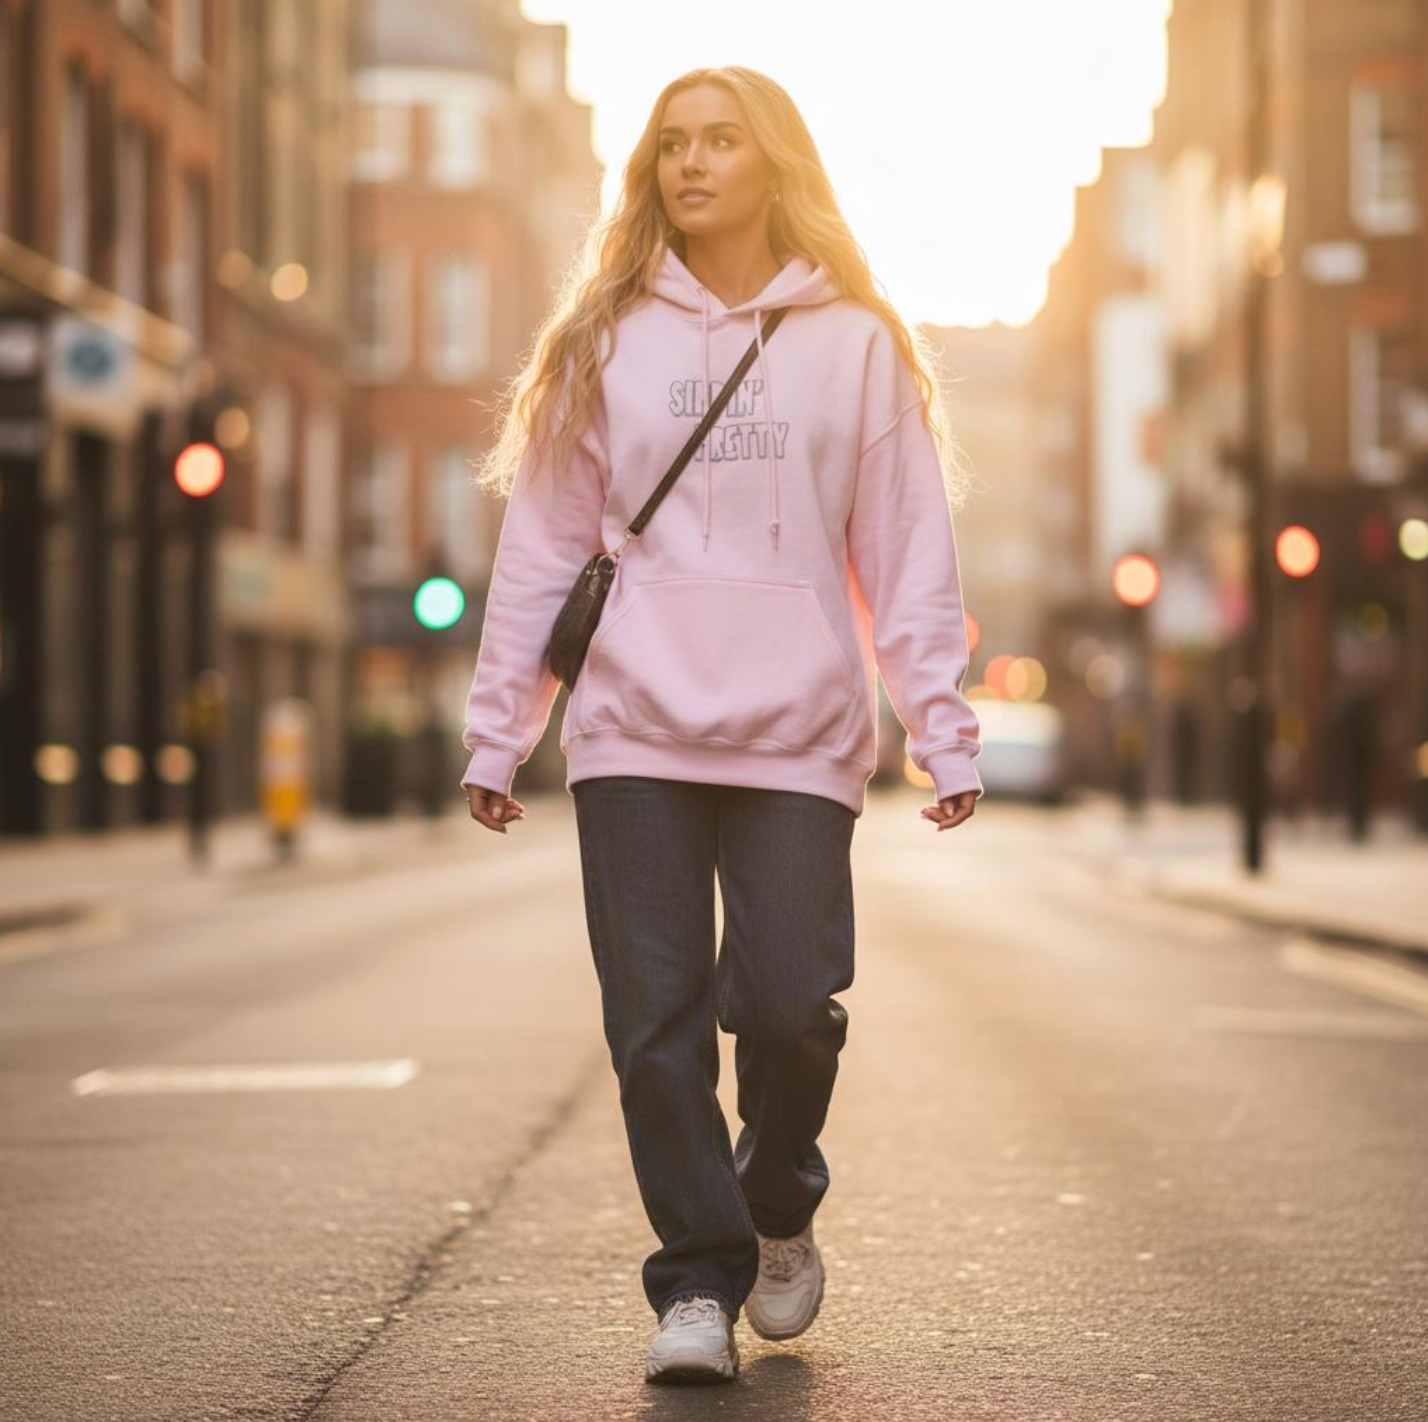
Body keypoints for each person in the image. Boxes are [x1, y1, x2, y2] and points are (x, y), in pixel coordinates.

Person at [459, 65, 983, 1385]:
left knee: (792, 1005)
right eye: (672, 145)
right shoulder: (603, 341)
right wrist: (500, 725)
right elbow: (541, 552)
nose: (691, 164)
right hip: (634, 725)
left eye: (720, 142)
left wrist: (940, 717)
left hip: (797, 730)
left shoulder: (854, 343)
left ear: (775, 164)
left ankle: (777, 1194)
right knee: (656, 1020)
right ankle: (697, 1278)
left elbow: (904, 547)